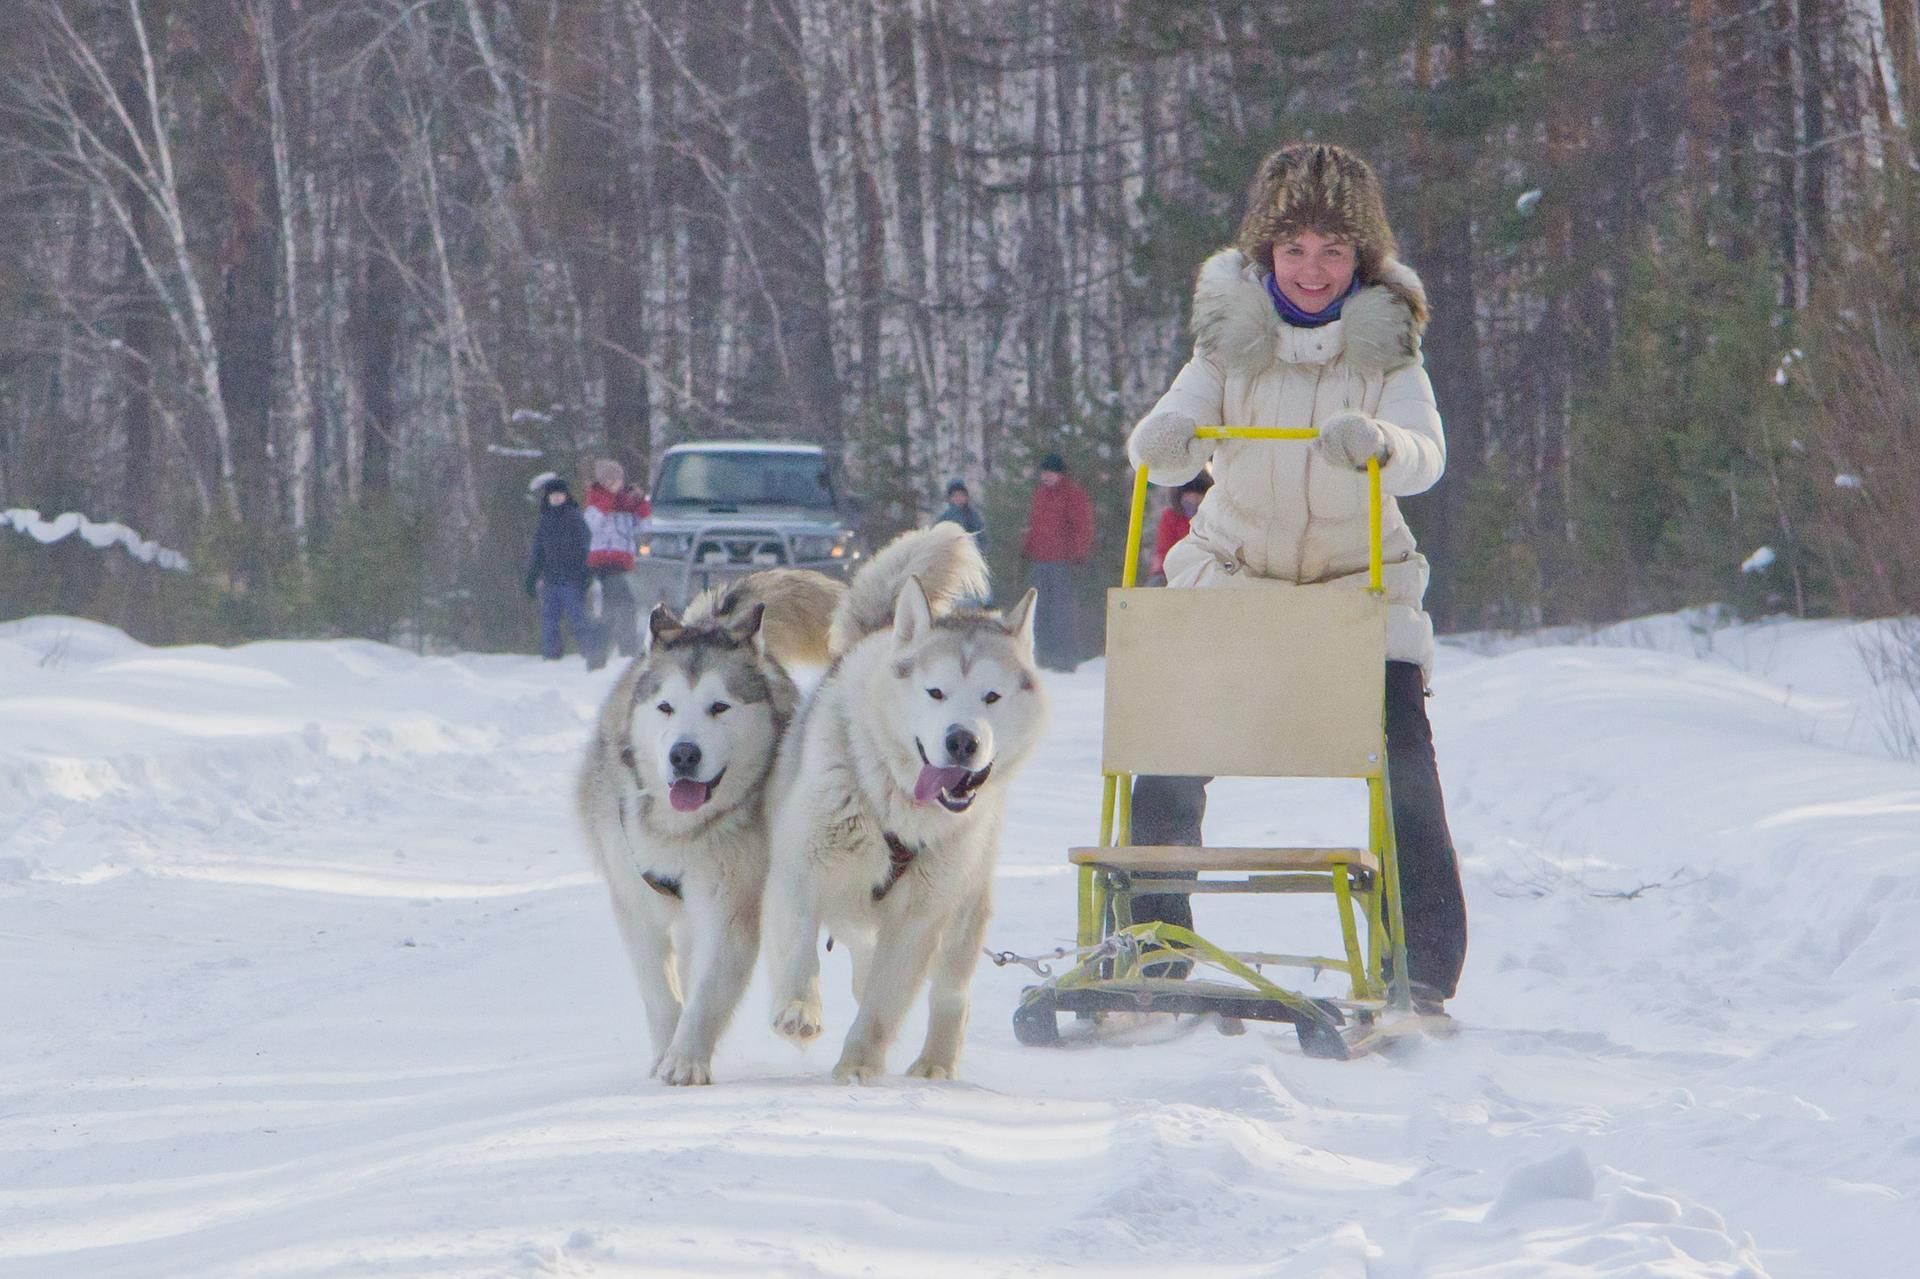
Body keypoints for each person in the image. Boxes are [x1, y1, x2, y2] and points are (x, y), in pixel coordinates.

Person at [1123, 141, 1468, 1011]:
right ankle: (1150, 945)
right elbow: (1174, 425)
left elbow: (1426, 454)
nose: (1313, 270)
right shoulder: (1228, 344)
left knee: (1404, 758)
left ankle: (1422, 965)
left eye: (1334, 249)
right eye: (1294, 249)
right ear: (1264, 254)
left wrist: (1382, 443)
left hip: (1356, 595)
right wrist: (1164, 444)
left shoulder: (1389, 352)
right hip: (1234, 580)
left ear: (1363, 258)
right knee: (1161, 749)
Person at [1020, 452, 1094, 672]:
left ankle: (1066, 658)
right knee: (1040, 610)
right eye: (1044, 473)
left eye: (1051, 473)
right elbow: (1035, 525)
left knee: (1062, 612)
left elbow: (1083, 525)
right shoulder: (1040, 494)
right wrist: (1026, 548)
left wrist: (1079, 552)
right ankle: (1043, 656)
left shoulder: (1072, 494)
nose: (1047, 477)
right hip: (1040, 560)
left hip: (1062, 561)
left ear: (1060, 474)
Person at [583, 458, 650, 665]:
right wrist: (606, 501)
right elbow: (589, 525)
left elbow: (646, 527)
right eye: (609, 479)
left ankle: (609, 651)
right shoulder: (596, 500)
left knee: (618, 606)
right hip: (604, 561)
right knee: (620, 604)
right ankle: (618, 651)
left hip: (623, 560)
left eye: (617, 478)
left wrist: (641, 504)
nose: (614, 483)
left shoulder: (627, 504)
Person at [524, 474, 594, 663]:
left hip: (572, 578)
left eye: (560, 494)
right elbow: (538, 551)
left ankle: (591, 653)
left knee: (578, 618)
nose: (556, 498)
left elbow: (586, 546)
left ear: (566, 496)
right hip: (551, 579)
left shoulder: (574, 517)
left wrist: (586, 573)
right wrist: (532, 576)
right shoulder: (545, 520)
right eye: (552, 495)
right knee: (549, 620)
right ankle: (550, 655)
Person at [1148, 472, 1212, 586]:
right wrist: (1160, 573)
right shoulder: (1171, 517)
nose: (1194, 505)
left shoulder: (1214, 518)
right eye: (1189, 503)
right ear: (1179, 498)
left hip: (1209, 570)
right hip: (1175, 571)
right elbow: (1163, 550)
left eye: (1199, 503)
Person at [936, 478, 989, 606]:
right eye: (955, 496)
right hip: (952, 560)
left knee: (976, 586)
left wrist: (980, 550)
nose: (959, 499)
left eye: (961, 495)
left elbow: (982, 536)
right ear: (950, 498)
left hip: (972, 559)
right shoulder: (945, 517)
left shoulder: (973, 516)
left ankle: (983, 601)